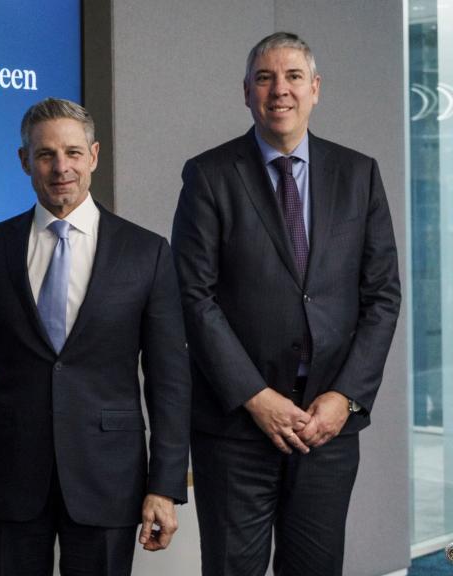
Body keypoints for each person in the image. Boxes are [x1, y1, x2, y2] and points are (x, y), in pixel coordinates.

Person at [171, 32, 401, 575]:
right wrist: (255, 396)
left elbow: (382, 296)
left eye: (294, 77)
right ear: (246, 91)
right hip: (236, 430)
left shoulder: (359, 173)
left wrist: (345, 397)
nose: (281, 90)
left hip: (328, 427)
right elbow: (193, 296)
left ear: (315, 89)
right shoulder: (208, 175)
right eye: (265, 78)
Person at [0, 97, 192, 576]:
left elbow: (170, 379)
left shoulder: (146, 252)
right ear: (25, 160)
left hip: (108, 477)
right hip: (9, 477)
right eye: (45, 154)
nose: (60, 167)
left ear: (93, 155)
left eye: (71, 152)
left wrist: (164, 485)